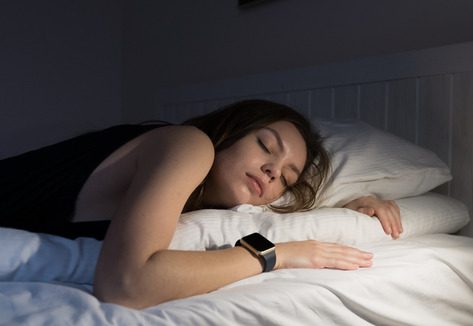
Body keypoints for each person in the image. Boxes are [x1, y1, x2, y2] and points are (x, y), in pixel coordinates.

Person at [0, 100, 402, 309]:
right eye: (265, 145)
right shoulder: (188, 144)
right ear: (229, 132)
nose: (270, 170)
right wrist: (274, 255)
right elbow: (127, 284)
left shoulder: (200, 200)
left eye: (285, 177)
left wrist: (356, 203)